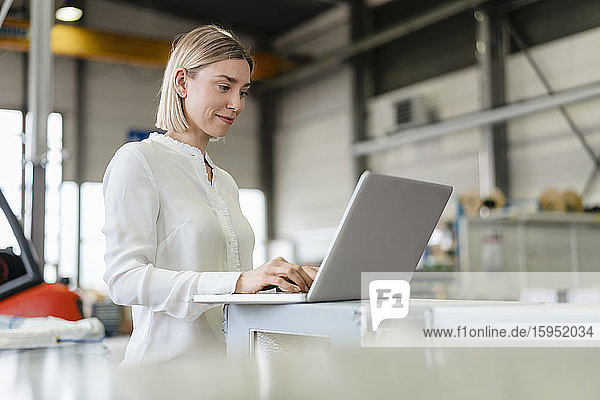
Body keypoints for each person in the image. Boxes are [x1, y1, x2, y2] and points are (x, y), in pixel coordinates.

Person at [102, 25, 318, 366]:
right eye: (224, 87)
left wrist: (281, 283)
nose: (236, 104)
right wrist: (239, 281)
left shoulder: (226, 182)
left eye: (244, 91)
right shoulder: (139, 160)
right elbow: (123, 279)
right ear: (182, 82)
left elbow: (234, 292)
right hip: (165, 376)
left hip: (226, 374)